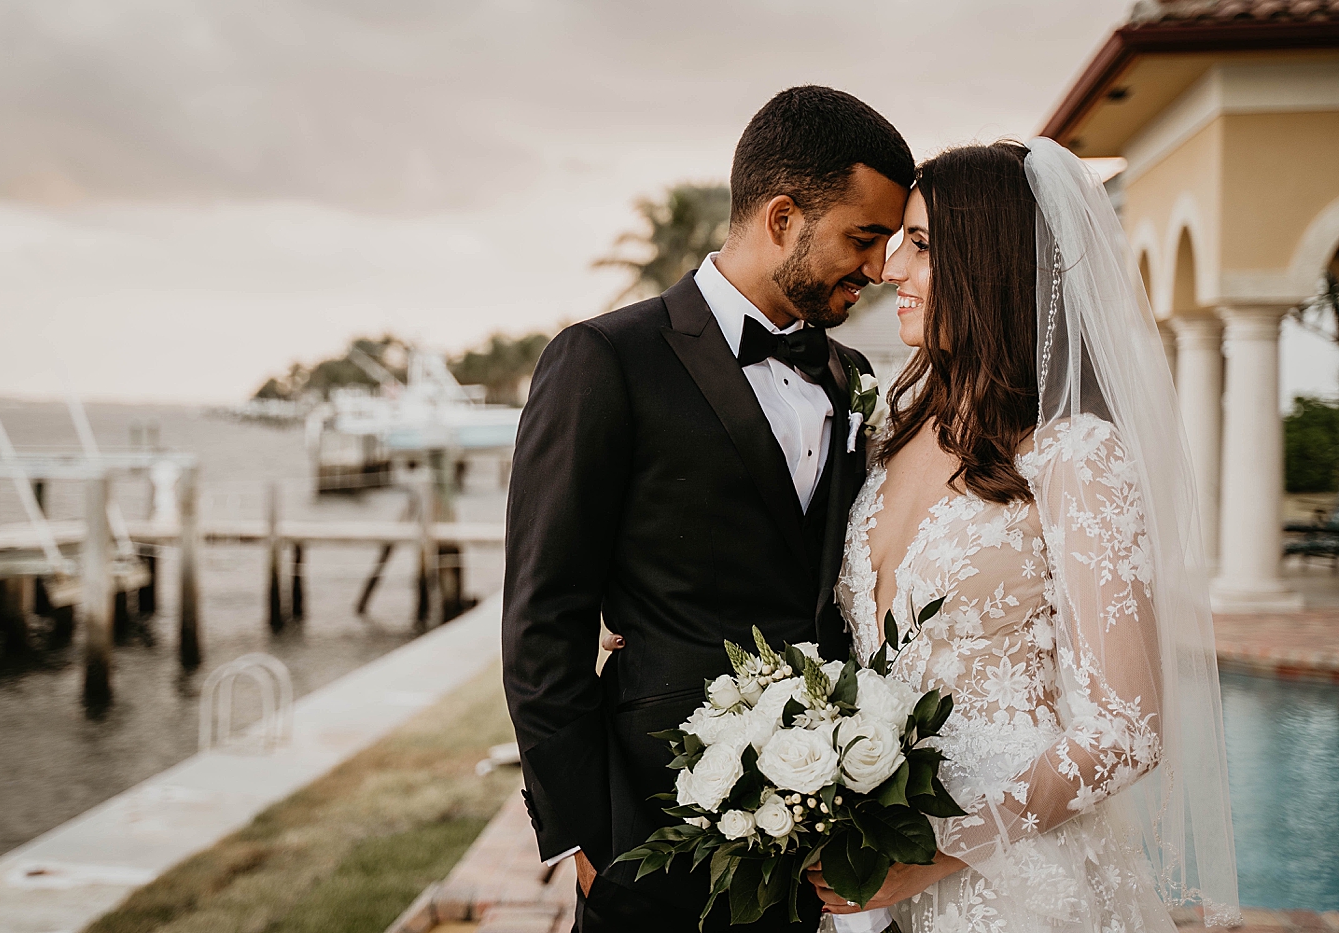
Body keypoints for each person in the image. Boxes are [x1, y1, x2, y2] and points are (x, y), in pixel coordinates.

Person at [502, 86, 912, 932]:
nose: (877, 269)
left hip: (821, 825)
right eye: (863, 237)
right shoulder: (605, 359)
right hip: (651, 826)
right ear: (782, 216)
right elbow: (544, 616)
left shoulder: (848, 378)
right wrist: (584, 836)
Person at [809, 139, 1241, 932]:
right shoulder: (892, 436)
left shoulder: (1077, 453)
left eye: (923, 245)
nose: (890, 269)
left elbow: (1127, 728)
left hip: (1017, 886)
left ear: (991, 264)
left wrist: (938, 854)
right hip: (877, 877)